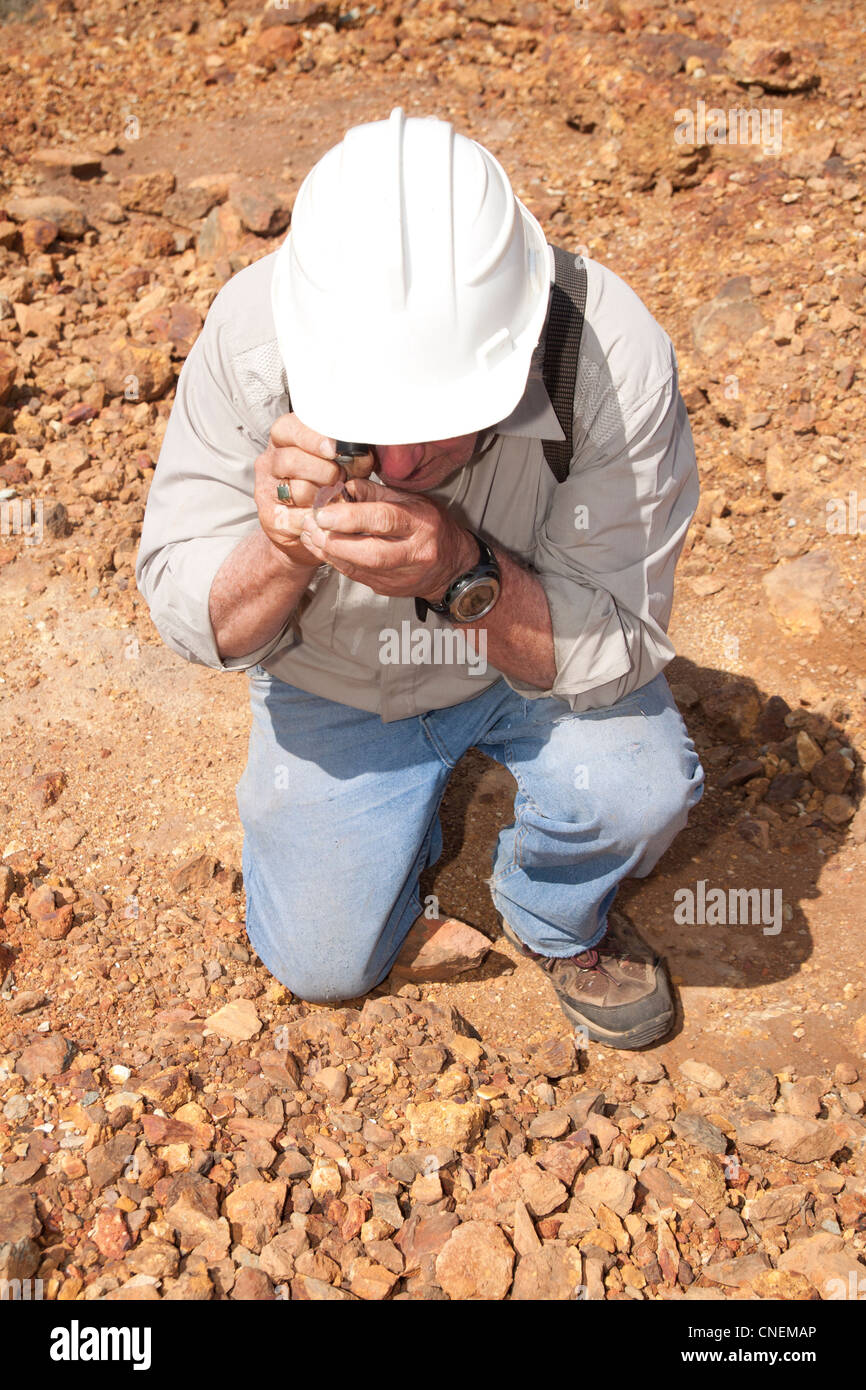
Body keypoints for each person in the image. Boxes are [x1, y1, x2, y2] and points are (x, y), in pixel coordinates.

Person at [136, 107, 705, 1049]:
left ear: (516, 353)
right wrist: (279, 550)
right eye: (363, 420)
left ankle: (553, 915)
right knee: (320, 963)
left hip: (525, 670)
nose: (397, 468)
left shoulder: (607, 359)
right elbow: (197, 621)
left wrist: (460, 571)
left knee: (635, 789)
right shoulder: (252, 335)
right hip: (339, 684)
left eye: (440, 421)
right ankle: (398, 834)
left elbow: (619, 643)